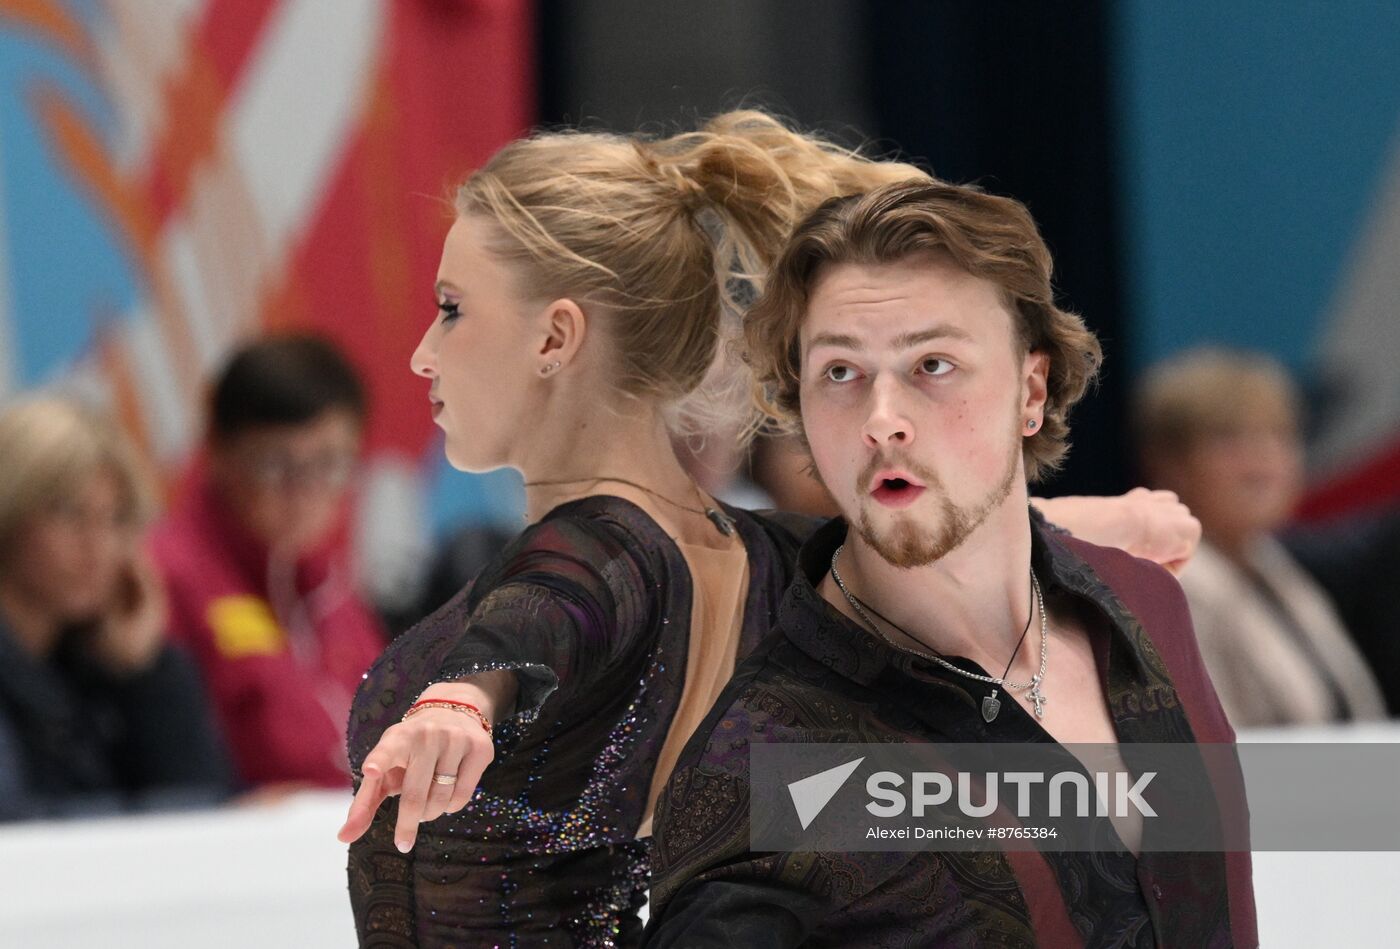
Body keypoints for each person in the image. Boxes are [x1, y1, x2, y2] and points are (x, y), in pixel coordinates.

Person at [337, 112, 1203, 947]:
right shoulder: (749, 558)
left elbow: (556, 603)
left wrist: (461, 697)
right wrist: (1098, 523)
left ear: (557, 337)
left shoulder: (606, 545)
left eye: (451, 309)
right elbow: (899, 531)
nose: (424, 351)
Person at [644, 180, 1257, 946]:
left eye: (932, 364)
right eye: (840, 372)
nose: (881, 421)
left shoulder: (1143, 602)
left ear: (1031, 389)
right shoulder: (768, 763)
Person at [151, 334, 386, 790]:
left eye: (331, 463)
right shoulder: (165, 578)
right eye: (278, 466)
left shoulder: (330, 585)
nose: (306, 493)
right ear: (218, 456)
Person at [0, 398, 230, 820]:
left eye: (116, 519)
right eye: (69, 514)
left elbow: (205, 823)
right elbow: (19, 829)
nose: (99, 547)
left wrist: (144, 674)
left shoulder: (99, 664)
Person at [1135, 348, 1385, 727]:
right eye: (1230, 439)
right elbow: (1209, 754)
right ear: (1171, 463)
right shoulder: (1165, 588)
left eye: (1279, 435)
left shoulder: (1276, 565)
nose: (1262, 462)